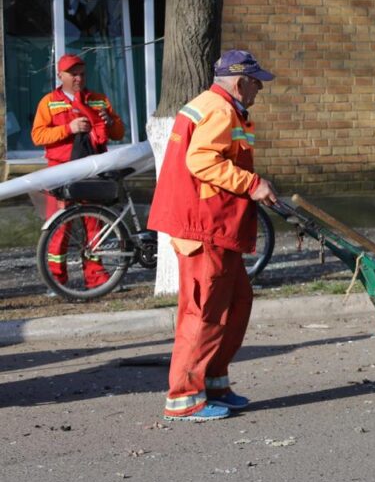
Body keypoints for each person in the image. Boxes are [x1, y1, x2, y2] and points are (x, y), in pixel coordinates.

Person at [148, 49, 278, 422]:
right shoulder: (220, 110)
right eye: (257, 83)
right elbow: (201, 160)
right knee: (204, 312)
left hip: (214, 226)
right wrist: (252, 184)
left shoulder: (213, 106)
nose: (259, 90)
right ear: (240, 82)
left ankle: (214, 382)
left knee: (236, 303)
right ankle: (186, 396)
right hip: (205, 227)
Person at [31, 53, 125, 289]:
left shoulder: (99, 100)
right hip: (60, 173)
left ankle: (97, 279)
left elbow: (118, 133)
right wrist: (68, 128)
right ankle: (57, 281)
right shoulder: (48, 102)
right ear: (59, 75)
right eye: (73, 74)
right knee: (59, 229)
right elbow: (38, 136)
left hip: (93, 170)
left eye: (82, 73)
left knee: (96, 225)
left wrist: (110, 123)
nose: (78, 78)